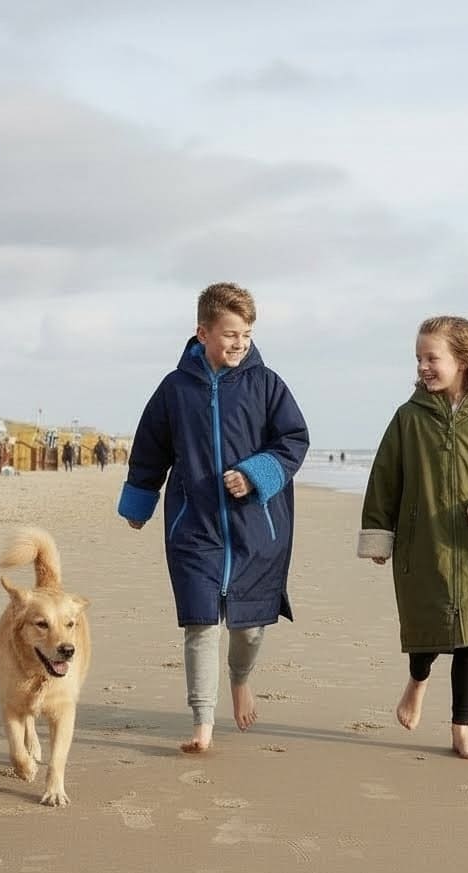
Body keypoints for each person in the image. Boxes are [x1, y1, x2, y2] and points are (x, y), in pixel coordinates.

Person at [118, 282, 309, 752]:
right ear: (202, 332)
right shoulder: (174, 389)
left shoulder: (267, 384)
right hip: (193, 524)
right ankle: (202, 723)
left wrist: (254, 474)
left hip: (256, 526)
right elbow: (150, 449)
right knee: (200, 623)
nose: (239, 343)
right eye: (230, 334)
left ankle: (240, 677)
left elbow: (293, 441)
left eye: (246, 333)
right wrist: (141, 501)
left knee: (248, 626)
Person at [357, 315, 468, 759]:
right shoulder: (408, 419)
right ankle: (417, 679)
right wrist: (380, 533)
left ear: (463, 359)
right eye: (418, 358)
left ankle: (462, 728)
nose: (423, 366)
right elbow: (385, 477)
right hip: (425, 543)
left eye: (432, 357)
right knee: (428, 632)